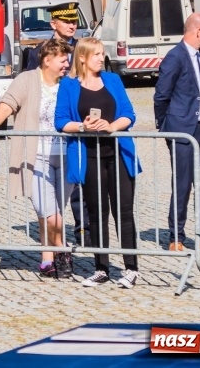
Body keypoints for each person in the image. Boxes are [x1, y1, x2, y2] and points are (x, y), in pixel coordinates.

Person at [0, 39, 74, 278]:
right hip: (36, 156)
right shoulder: (26, 80)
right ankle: (62, 250)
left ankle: (46, 258)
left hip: (66, 155)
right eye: (63, 60)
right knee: (50, 213)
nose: (67, 64)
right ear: (47, 60)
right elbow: (6, 106)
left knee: (54, 210)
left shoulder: (69, 83)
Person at [55, 37, 141, 289]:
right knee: (96, 213)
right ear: (82, 57)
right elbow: (60, 121)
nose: (101, 58)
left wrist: (111, 126)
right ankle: (101, 267)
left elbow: (129, 114)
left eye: (102, 54)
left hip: (117, 152)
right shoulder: (69, 85)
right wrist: (83, 126)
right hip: (88, 155)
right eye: (96, 55)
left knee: (123, 212)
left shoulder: (113, 80)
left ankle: (131, 268)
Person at [154, 13, 200, 256]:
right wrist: (165, 127)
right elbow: (161, 95)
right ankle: (176, 235)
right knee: (182, 184)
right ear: (197, 31)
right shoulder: (175, 57)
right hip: (182, 131)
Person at [24, 2, 90, 246]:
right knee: (51, 193)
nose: (72, 25)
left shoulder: (82, 49)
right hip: (47, 133)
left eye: (74, 21)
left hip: (75, 125)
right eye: (67, 21)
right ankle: (53, 242)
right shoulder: (38, 52)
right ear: (54, 24)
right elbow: (32, 86)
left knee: (80, 183)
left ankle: (84, 229)